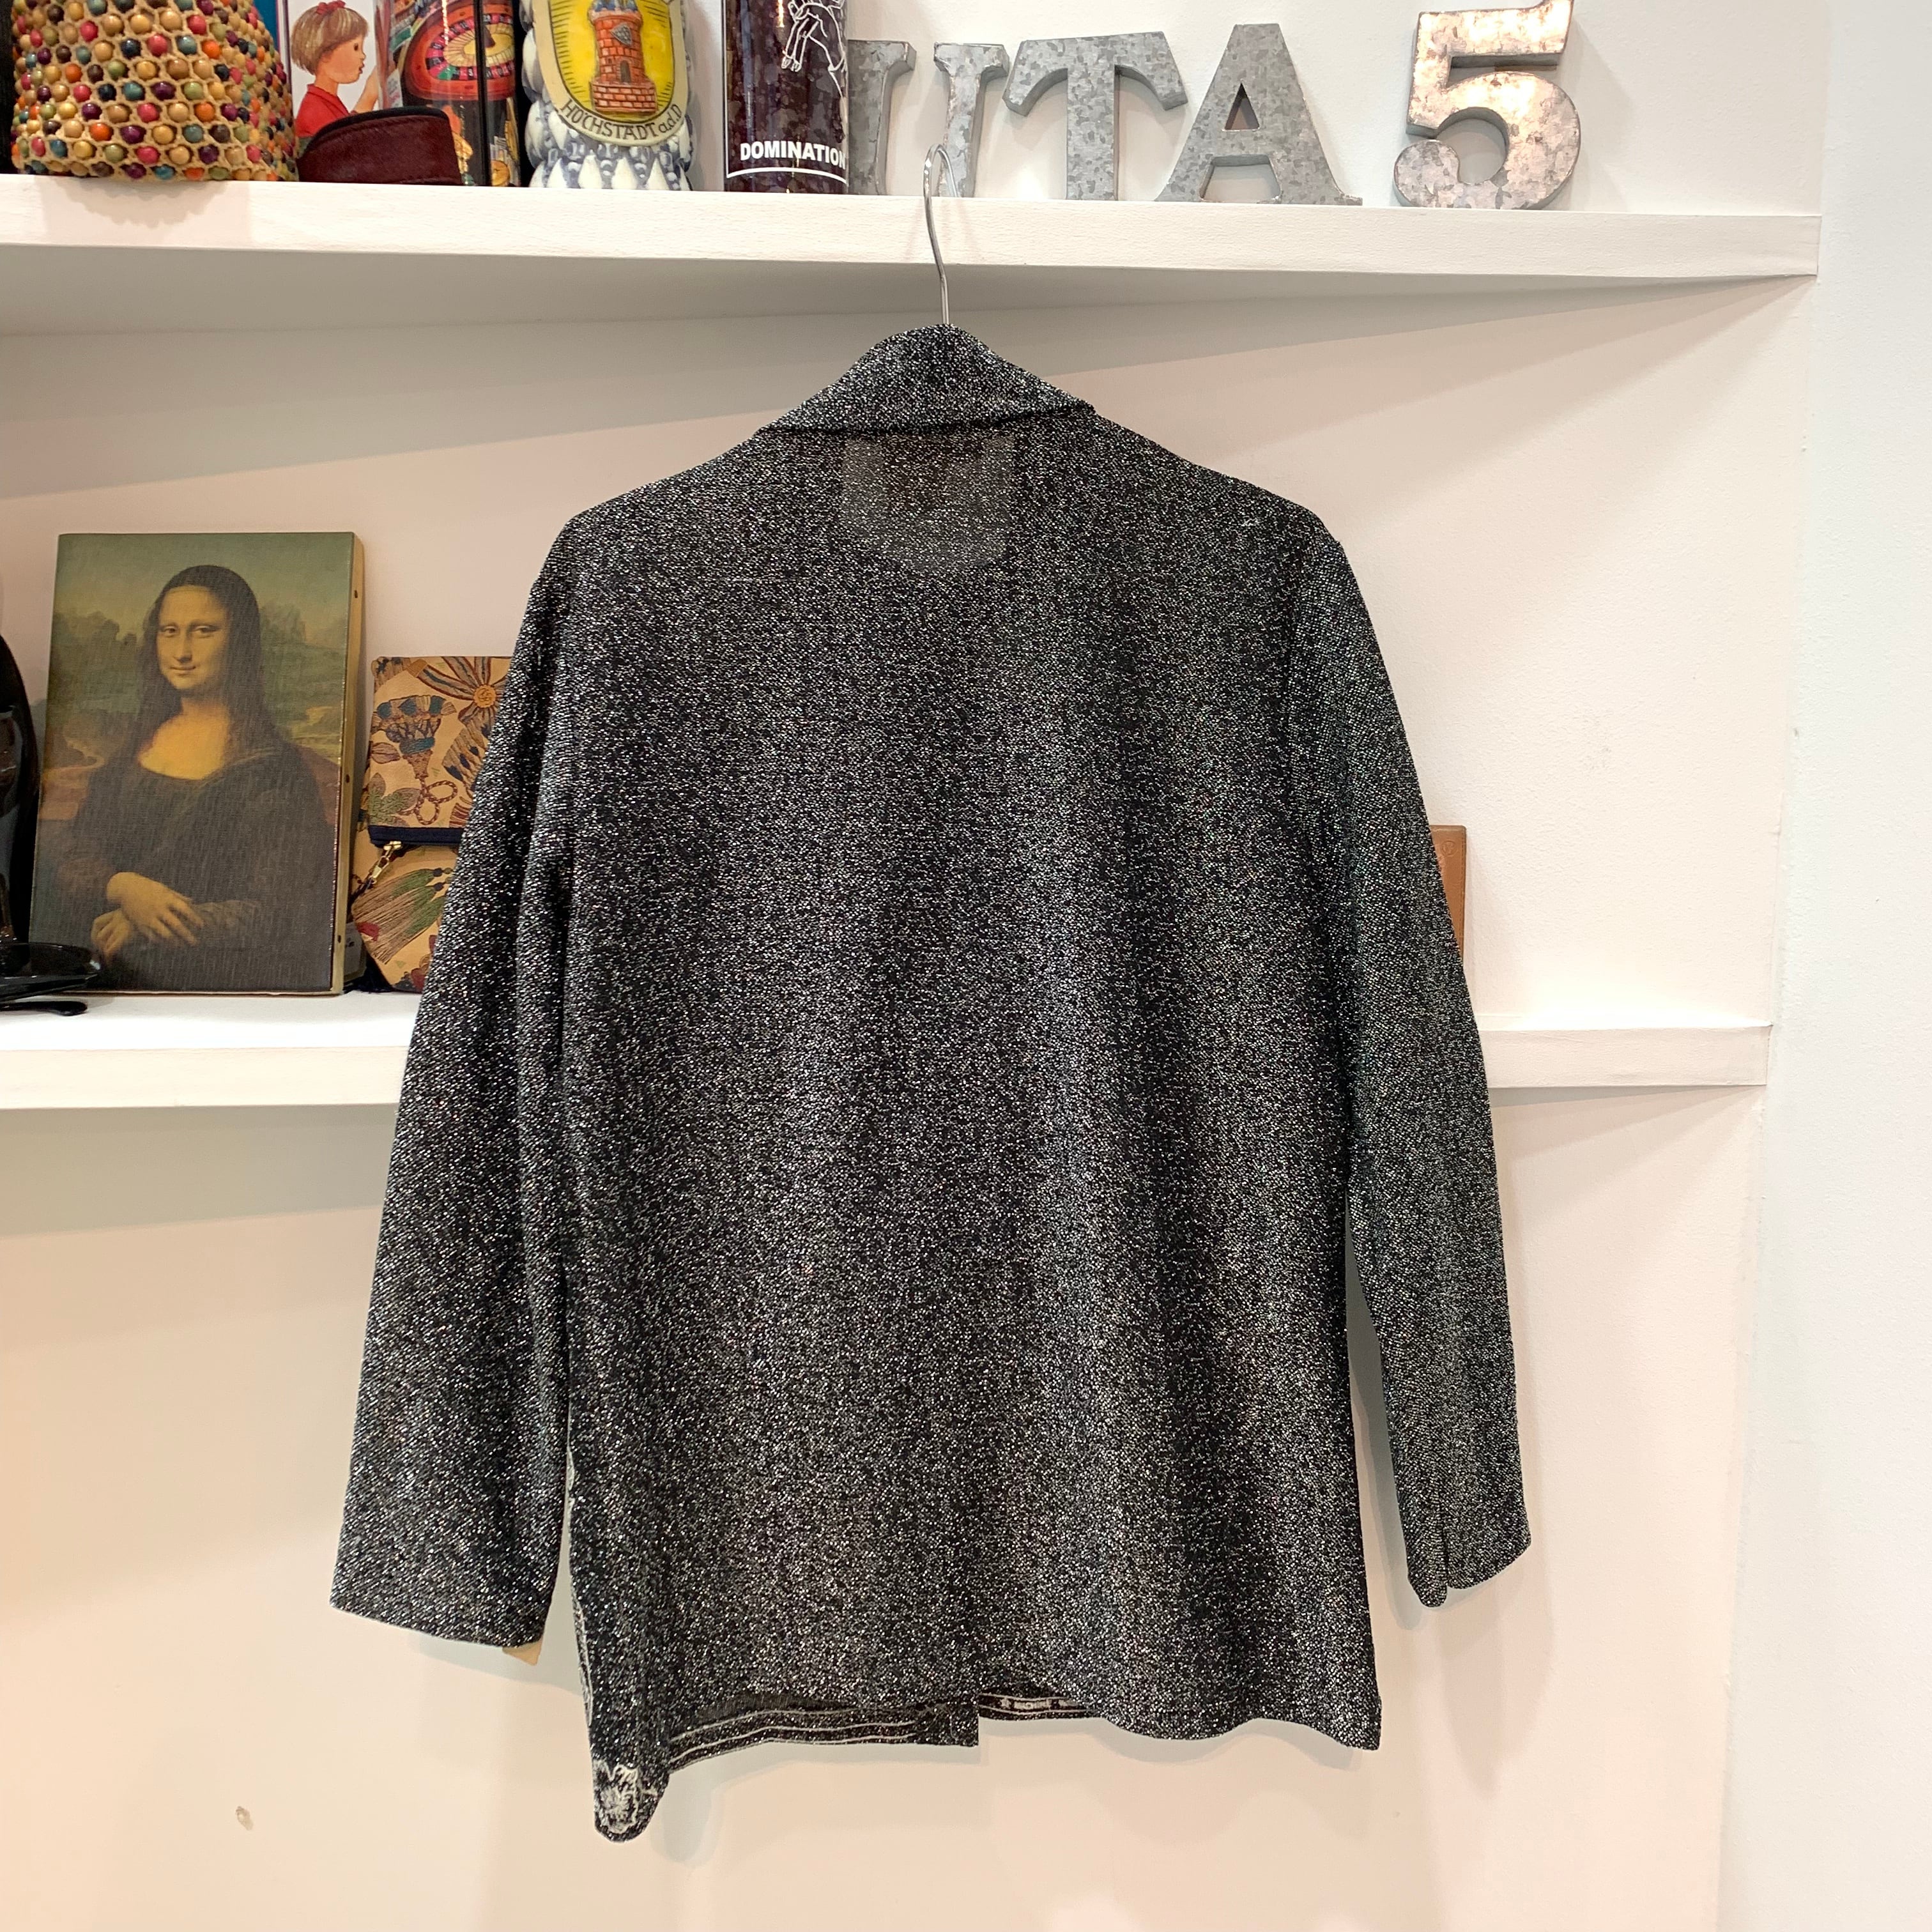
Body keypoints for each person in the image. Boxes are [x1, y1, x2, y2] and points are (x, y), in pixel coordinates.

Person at [52, 565, 335, 992]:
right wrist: (123, 886)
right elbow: (77, 851)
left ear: (239, 641)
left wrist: (150, 921)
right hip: (110, 982)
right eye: (170, 631)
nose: (182, 651)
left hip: (221, 984)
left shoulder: (273, 771)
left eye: (204, 631)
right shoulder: (133, 751)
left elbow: (280, 912)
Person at [290, 2, 378, 143]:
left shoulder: (327, 100)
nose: (363, 56)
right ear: (325, 54)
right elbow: (344, 146)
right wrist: (368, 98)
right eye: (356, 48)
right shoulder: (313, 110)